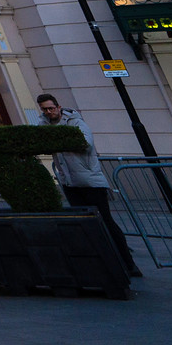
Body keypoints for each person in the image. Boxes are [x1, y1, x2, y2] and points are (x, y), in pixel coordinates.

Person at [37, 93, 141, 276]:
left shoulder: (76, 122)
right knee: (83, 223)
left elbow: (85, 143)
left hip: (91, 181)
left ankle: (129, 264)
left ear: (58, 106)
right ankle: (100, 263)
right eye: (44, 109)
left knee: (106, 221)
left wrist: (56, 140)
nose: (48, 112)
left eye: (51, 108)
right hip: (69, 181)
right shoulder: (43, 125)